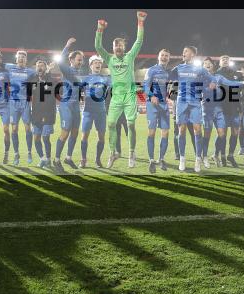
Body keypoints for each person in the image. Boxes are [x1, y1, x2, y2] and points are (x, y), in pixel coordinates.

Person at [94, 11, 147, 168]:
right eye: (116, 45)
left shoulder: (130, 56)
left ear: (124, 46)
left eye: (121, 45)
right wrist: (99, 29)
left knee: (131, 125)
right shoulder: (109, 58)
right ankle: (113, 153)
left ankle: (131, 152)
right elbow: (97, 46)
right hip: (116, 97)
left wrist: (140, 22)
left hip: (130, 95)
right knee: (110, 124)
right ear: (113, 48)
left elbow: (139, 40)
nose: (118, 47)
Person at [169, 46, 212, 173]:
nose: (183, 53)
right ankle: (182, 158)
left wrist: (212, 83)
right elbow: (168, 76)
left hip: (195, 103)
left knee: (197, 130)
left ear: (192, 55)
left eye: (186, 51)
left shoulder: (200, 70)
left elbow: (211, 79)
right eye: (183, 51)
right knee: (181, 131)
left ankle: (198, 159)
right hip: (181, 102)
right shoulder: (179, 68)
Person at [54, 39, 85, 172]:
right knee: (65, 132)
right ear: (71, 60)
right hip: (66, 104)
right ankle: (56, 160)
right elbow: (59, 61)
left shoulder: (80, 73)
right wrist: (66, 46)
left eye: (81, 60)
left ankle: (68, 157)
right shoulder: (67, 70)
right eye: (78, 59)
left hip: (76, 106)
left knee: (75, 132)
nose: (80, 62)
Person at [143, 48, 172, 173]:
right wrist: (151, 95)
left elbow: (169, 87)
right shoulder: (152, 70)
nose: (164, 57)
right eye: (162, 55)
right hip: (152, 105)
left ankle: (161, 159)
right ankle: (151, 159)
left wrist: (169, 97)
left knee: (165, 133)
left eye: (166, 56)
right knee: (152, 133)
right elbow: (145, 86)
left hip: (164, 106)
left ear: (169, 58)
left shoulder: (169, 72)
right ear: (158, 57)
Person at [28, 57, 57, 168]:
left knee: (45, 137)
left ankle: (48, 159)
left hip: (48, 113)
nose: (39, 67)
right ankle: (42, 158)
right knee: (36, 138)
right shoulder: (32, 79)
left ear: (45, 67)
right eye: (38, 65)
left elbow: (54, 92)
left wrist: (48, 75)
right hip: (36, 114)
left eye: (42, 65)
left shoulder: (52, 79)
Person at [215, 55, 242, 167]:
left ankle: (230, 156)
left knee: (235, 132)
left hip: (235, 107)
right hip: (222, 107)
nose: (225, 61)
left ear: (230, 62)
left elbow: (240, 88)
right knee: (223, 134)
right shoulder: (216, 74)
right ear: (220, 62)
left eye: (227, 60)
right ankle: (222, 156)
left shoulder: (236, 74)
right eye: (223, 60)